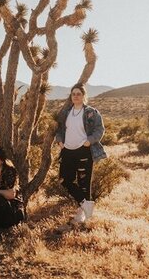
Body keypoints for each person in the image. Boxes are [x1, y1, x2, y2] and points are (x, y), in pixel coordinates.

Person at [55, 83, 106, 224]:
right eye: (73, 94)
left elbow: (100, 129)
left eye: (79, 94)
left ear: (84, 96)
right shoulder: (66, 113)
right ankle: (86, 204)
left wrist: (89, 141)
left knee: (84, 183)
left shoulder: (91, 112)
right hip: (67, 150)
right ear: (71, 96)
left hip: (84, 150)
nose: (76, 96)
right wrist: (60, 141)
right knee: (64, 180)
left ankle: (81, 215)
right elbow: (59, 130)